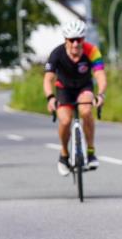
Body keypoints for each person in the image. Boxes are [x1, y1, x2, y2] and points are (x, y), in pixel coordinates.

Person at [43, 21, 106, 175]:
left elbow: (100, 75)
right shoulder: (56, 54)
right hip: (64, 89)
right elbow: (48, 79)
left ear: (83, 39)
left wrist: (101, 94)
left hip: (84, 87)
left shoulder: (92, 51)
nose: (76, 43)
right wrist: (50, 97)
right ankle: (64, 154)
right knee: (65, 120)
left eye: (79, 39)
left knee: (85, 111)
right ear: (66, 40)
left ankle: (90, 152)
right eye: (72, 40)